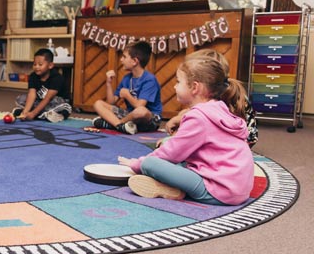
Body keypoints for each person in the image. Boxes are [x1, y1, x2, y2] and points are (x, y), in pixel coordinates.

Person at [117, 53, 254, 205]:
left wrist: (138, 164)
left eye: (178, 82)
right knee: (170, 142)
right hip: (239, 189)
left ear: (195, 87)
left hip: (219, 191)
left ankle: (171, 188)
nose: (175, 86)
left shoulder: (198, 117)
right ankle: (173, 188)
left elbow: (171, 153)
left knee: (151, 164)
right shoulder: (218, 109)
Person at [160, 49, 257, 148]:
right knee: (186, 114)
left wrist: (177, 133)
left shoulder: (222, 96)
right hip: (237, 139)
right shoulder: (219, 92)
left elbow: (206, 122)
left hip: (236, 141)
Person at [92, 41, 162, 135]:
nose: (121, 60)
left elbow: (140, 106)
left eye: (124, 57)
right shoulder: (127, 78)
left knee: (141, 111)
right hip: (130, 116)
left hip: (149, 119)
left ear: (134, 61)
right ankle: (121, 125)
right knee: (98, 104)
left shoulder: (150, 80)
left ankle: (116, 124)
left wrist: (127, 95)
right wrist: (108, 83)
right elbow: (111, 102)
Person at [12, 48, 71, 123]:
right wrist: (25, 112)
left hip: (55, 102)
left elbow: (48, 98)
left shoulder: (57, 78)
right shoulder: (33, 76)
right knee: (21, 98)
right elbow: (32, 94)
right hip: (40, 102)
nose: (36, 67)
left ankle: (55, 115)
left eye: (40, 64)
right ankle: (43, 114)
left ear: (50, 65)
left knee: (60, 103)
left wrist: (33, 114)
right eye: (34, 64)